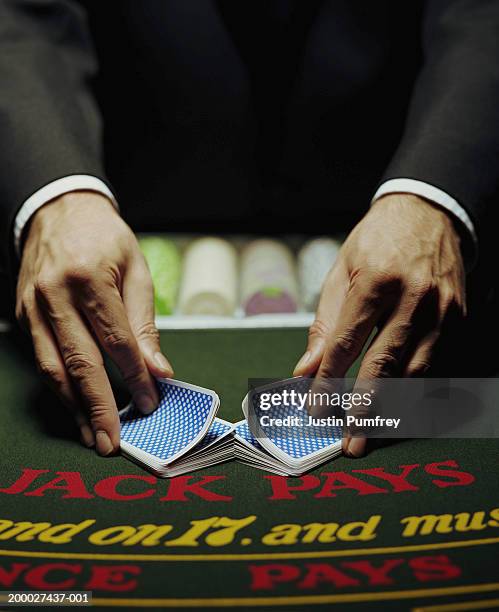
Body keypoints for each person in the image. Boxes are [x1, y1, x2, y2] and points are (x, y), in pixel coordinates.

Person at [1, 1, 498, 458]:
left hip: (383, 216)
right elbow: (21, 19)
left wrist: (434, 190)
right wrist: (58, 194)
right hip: (137, 210)